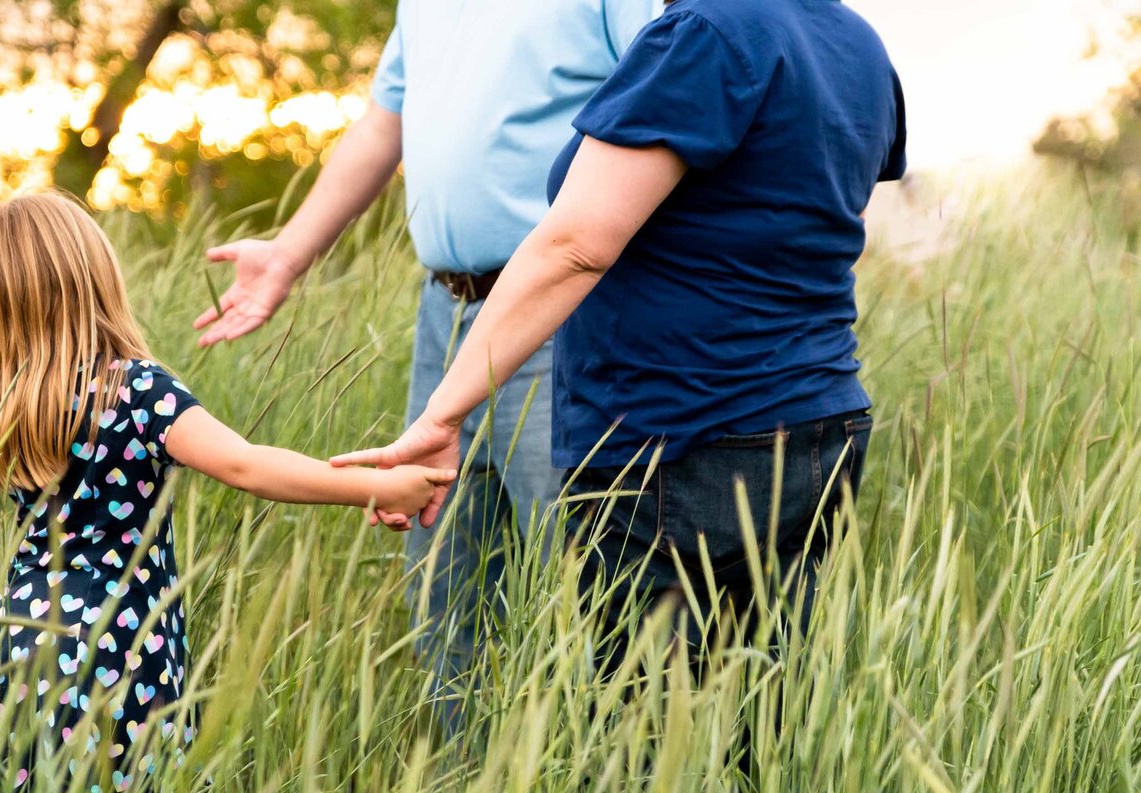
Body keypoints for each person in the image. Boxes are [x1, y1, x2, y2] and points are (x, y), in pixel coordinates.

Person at [0, 192, 453, 793]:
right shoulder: (140, 392)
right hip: (116, 660)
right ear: (97, 278)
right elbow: (246, 465)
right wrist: (378, 487)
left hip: (17, 650)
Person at [334, 0, 907, 670]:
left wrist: (445, 411)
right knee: (760, 714)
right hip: (817, 420)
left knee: (638, 737)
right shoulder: (855, 42)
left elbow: (577, 244)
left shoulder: (702, 33)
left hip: (685, 438)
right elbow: (823, 220)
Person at [193, 0, 659, 726]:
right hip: (444, 315)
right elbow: (385, 123)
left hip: (562, 313)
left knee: (578, 579)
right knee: (442, 582)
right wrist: (289, 254)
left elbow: (662, 98)